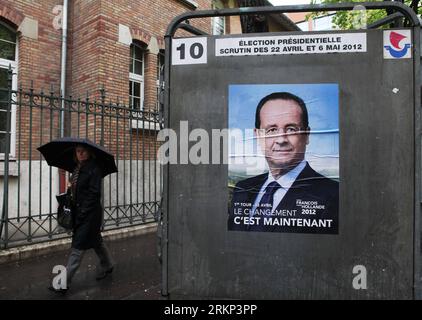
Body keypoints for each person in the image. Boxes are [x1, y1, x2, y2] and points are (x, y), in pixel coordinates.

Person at [228, 92, 339, 234]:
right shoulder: (242, 189)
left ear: (306, 135)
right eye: (272, 130)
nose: (281, 140)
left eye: (291, 129)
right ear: (258, 136)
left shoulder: (334, 196)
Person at [49, 144, 114, 293]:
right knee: (96, 241)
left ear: (89, 153)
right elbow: (75, 190)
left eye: (83, 151)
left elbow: (94, 194)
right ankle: (108, 265)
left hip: (89, 214)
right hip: (80, 213)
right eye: (78, 151)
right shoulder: (76, 169)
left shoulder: (94, 169)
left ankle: (63, 283)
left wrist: (83, 212)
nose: (81, 153)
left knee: (78, 247)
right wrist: (70, 189)